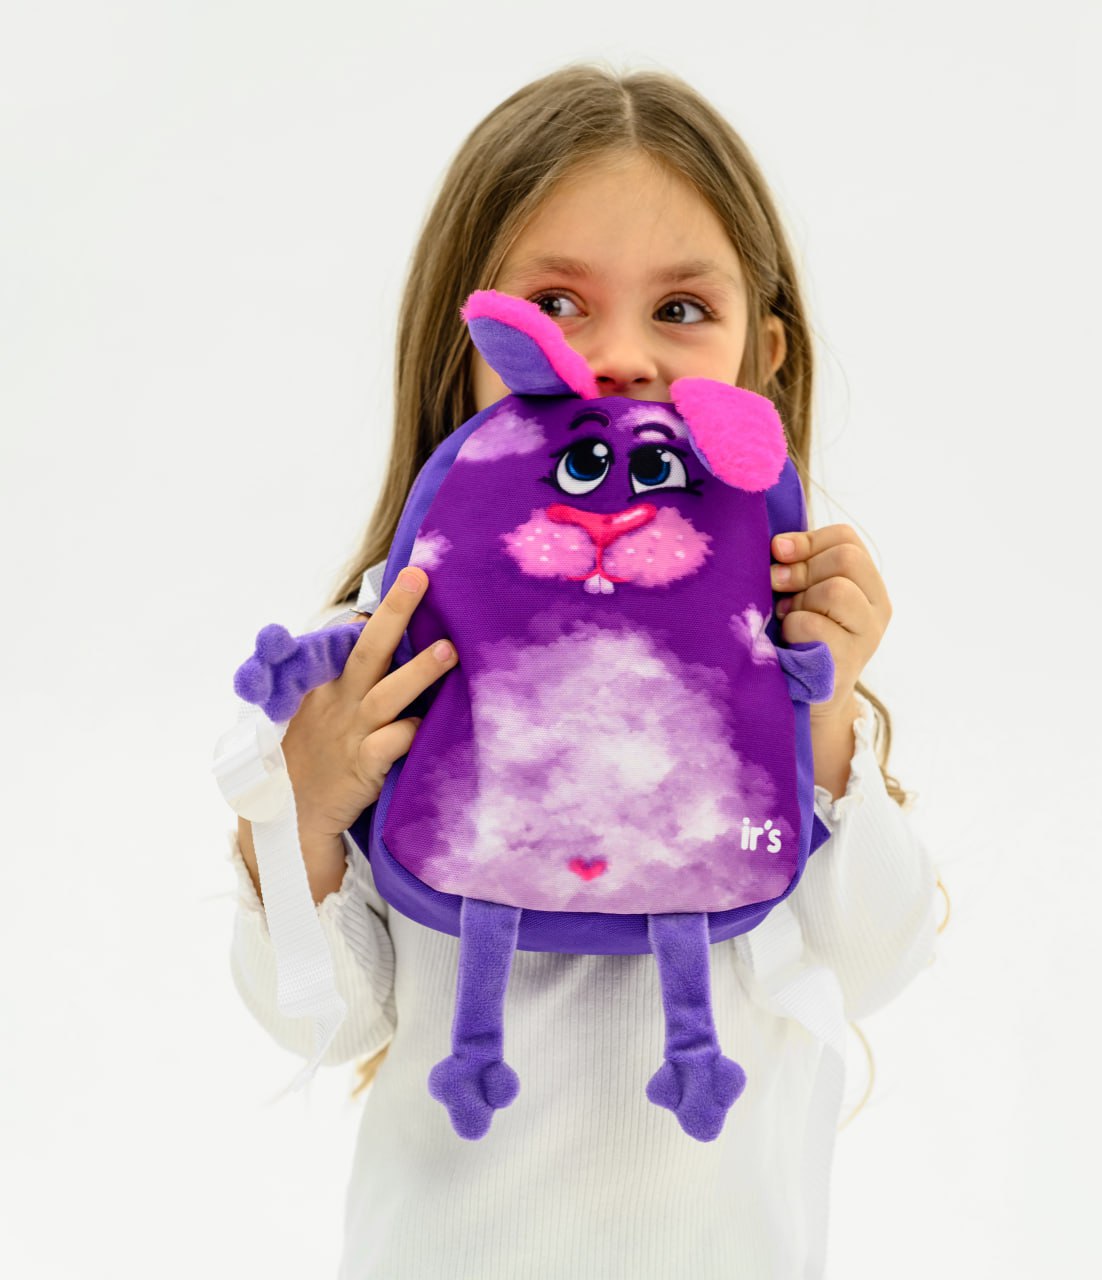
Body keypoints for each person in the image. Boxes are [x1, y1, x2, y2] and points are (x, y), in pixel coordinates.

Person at [224, 61, 942, 1280]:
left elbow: (871, 959)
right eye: (557, 305)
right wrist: (299, 810)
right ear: (468, 342)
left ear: (760, 355)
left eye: (680, 309)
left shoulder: (780, 644)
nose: (617, 358)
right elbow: (319, 1015)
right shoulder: (388, 646)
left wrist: (820, 718)